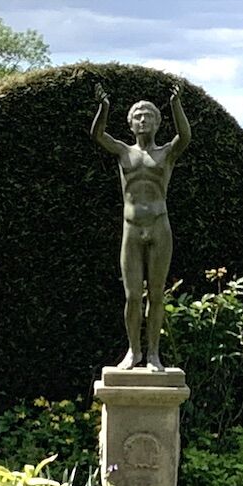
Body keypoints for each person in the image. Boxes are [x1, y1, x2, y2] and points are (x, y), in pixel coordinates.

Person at [90, 81, 191, 369]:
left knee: (156, 295)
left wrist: (175, 105)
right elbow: (98, 135)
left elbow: (185, 136)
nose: (143, 119)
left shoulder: (165, 154)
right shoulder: (124, 152)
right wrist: (104, 107)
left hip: (159, 227)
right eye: (137, 116)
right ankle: (134, 351)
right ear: (131, 124)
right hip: (131, 229)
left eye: (148, 115)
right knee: (133, 296)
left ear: (158, 123)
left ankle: (154, 354)